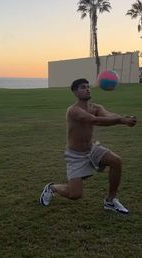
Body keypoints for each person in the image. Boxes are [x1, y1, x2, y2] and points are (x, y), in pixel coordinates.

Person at [39, 78, 137, 214]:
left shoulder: (96, 107)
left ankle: (110, 200)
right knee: (75, 194)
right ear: (75, 92)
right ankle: (52, 188)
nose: (87, 89)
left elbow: (108, 115)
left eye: (88, 86)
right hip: (75, 155)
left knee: (116, 161)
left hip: (92, 149)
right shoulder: (73, 110)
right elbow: (94, 120)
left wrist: (124, 118)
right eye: (82, 87)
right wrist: (121, 120)